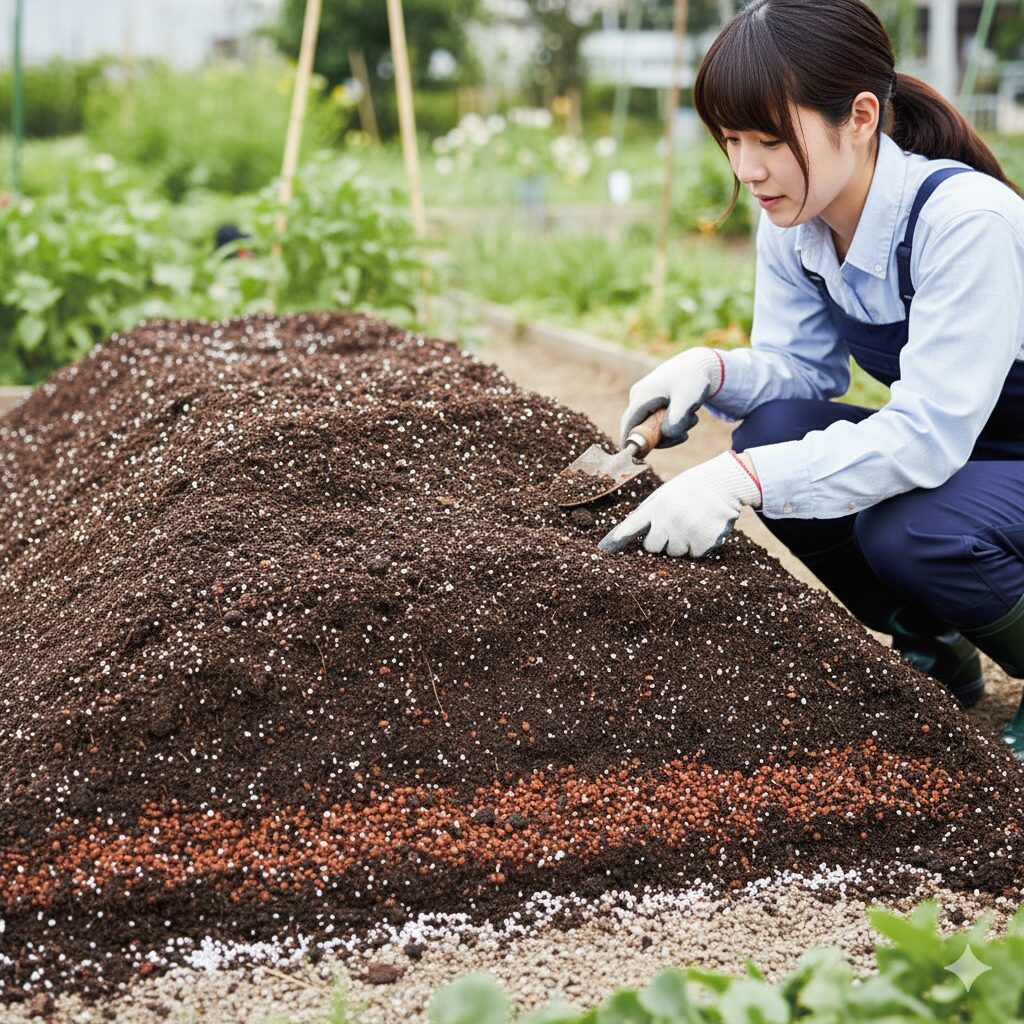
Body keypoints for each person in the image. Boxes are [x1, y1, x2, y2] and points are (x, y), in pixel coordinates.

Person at [598, 0, 1024, 760]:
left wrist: (739, 481)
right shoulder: (798, 223)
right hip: (972, 454)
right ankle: (933, 646)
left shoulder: (963, 221)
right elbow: (805, 373)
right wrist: (710, 370)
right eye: (731, 138)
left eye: (769, 138)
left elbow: (926, 435)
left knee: (912, 530)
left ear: (860, 117)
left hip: (991, 452)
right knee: (773, 428)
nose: (746, 169)